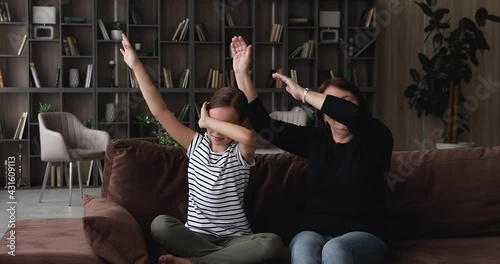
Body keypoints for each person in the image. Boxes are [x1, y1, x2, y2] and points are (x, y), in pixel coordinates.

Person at [120, 33, 283, 264]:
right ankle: (219, 261)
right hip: (194, 237)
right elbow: (160, 111)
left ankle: (192, 262)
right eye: (212, 123)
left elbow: (248, 137)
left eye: (224, 125)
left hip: (235, 239)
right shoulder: (196, 144)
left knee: (271, 242)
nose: (215, 132)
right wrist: (135, 65)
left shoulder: (240, 153)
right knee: (160, 225)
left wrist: (207, 121)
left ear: (239, 124)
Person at [231, 36, 393, 264]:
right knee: (305, 247)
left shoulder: (376, 138)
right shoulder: (316, 141)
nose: (338, 111)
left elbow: (352, 115)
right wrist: (242, 75)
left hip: (366, 237)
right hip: (314, 232)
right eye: (331, 105)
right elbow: (264, 125)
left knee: (335, 249)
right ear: (324, 116)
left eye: (346, 102)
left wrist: (305, 94)